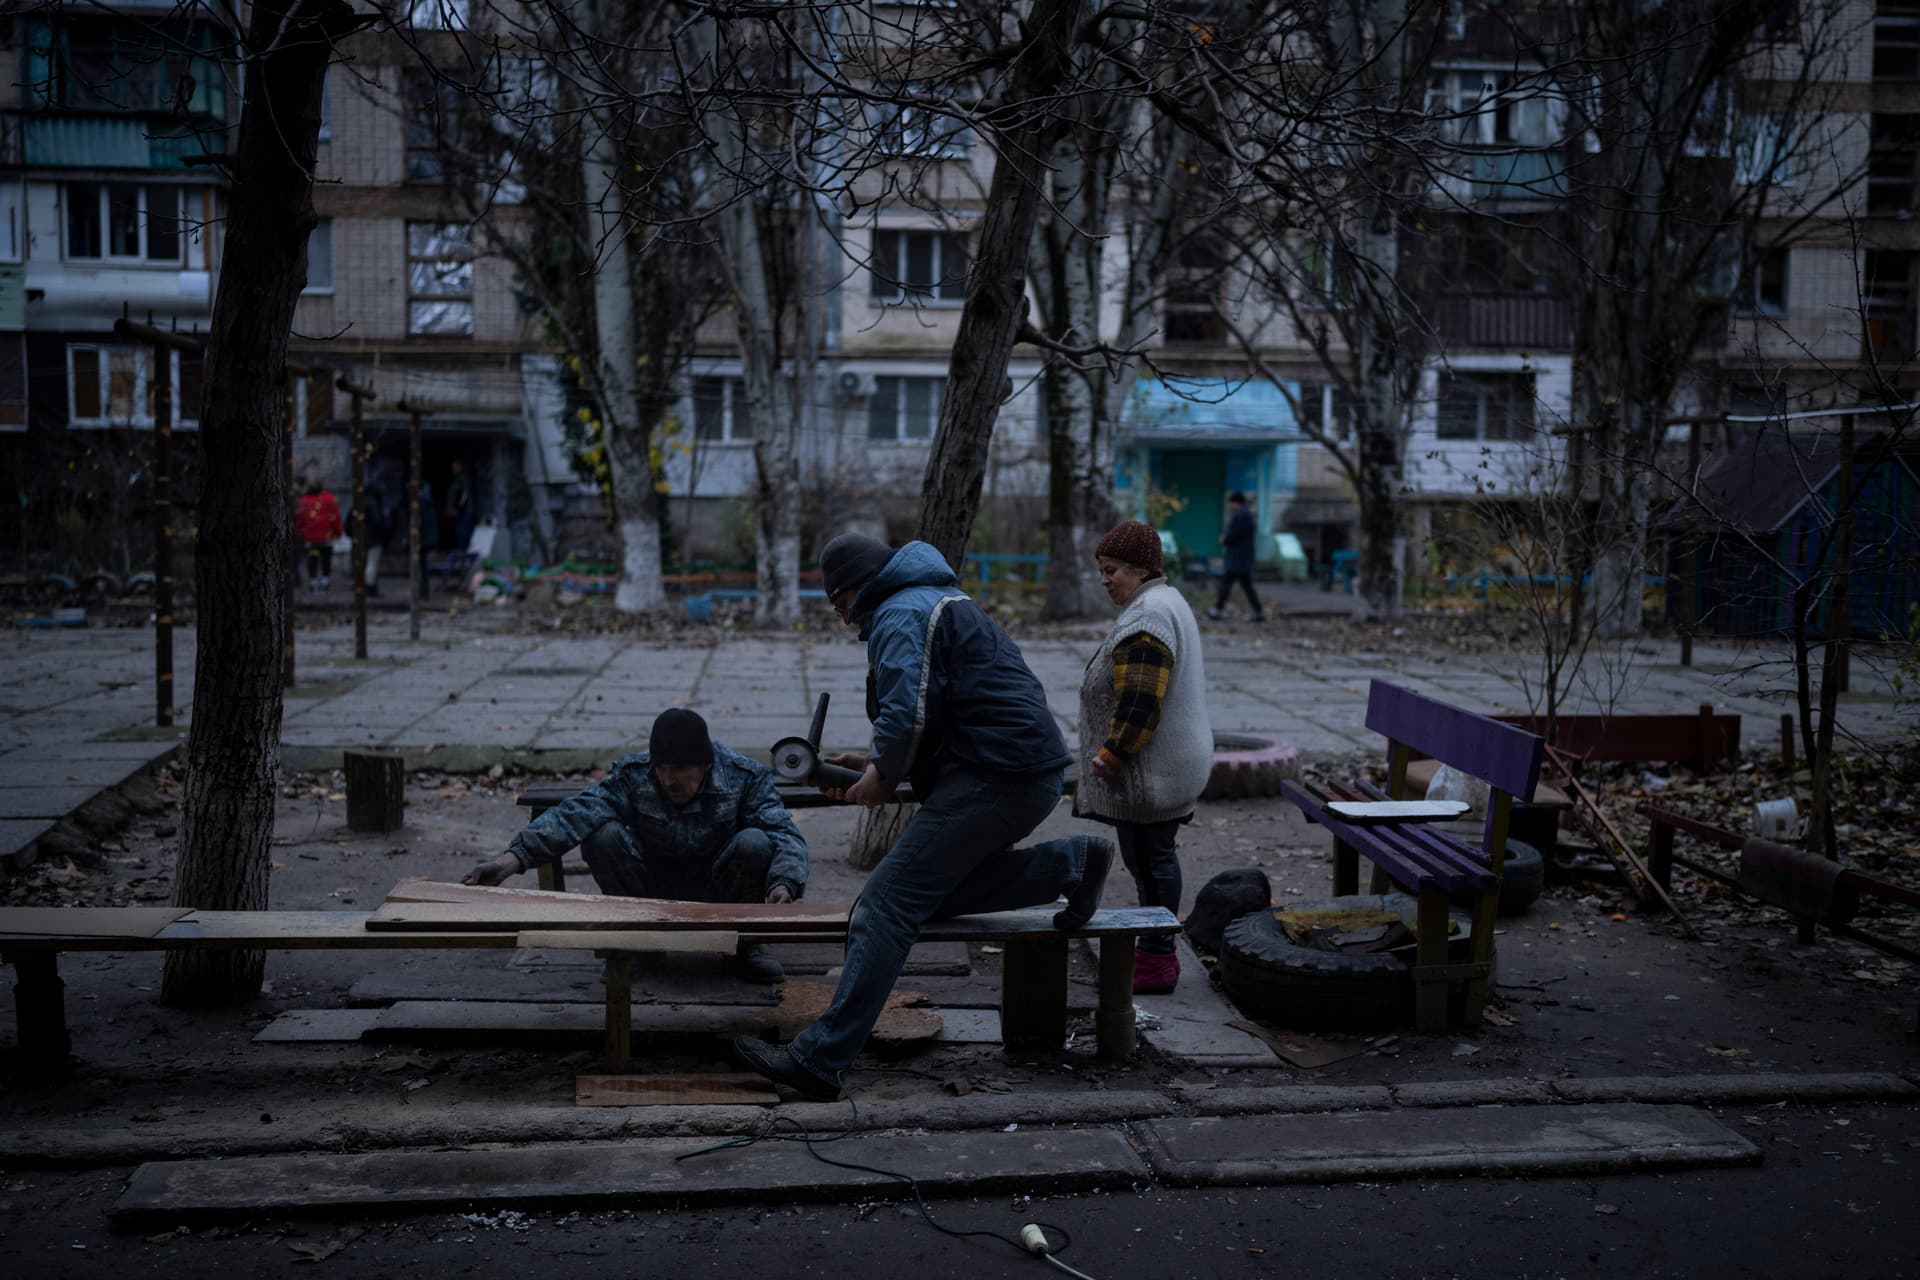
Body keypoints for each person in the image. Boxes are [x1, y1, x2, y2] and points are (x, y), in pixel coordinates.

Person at [732, 534, 1114, 1100]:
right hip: (1020, 773)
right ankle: (1071, 864)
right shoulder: (934, 601)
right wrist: (872, 766)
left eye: (838, 605)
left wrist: (883, 777)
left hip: (997, 777)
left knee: (882, 906)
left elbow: (906, 712)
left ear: (856, 588)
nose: (842, 619)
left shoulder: (899, 610)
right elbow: (941, 714)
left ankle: (819, 1061)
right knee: (924, 896)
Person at [463, 708, 807, 983]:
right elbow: (575, 814)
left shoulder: (744, 777)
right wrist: (509, 861)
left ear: (706, 765)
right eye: (664, 769)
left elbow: (783, 833)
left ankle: (743, 945)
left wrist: (784, 882)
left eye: (682, 770)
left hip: (718, 886)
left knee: (755, 843)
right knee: (603, 835)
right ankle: (640, 947)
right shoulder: (634, 773)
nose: (670, 779)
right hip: (649, 886)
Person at [1076, 520, 1214, 993]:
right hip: (1168, 764)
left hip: (1151, 771)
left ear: (1140, 569)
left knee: (1151, 860)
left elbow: (1140, 699)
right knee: (1150, 858)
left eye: (1111, 569)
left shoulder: (1147, 618)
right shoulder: (1161, 603)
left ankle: (1157, 959)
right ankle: (1155, 950)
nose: (1104, 579)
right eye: (1101, 570)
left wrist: (1113, 752)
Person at [1208, 490, 1264, 621]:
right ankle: (1258, 611)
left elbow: (1233, 535)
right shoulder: (1247, 514)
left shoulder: (1242, 516)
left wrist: (1224, 539)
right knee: (1245, 586)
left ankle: (1217, 610)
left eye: (1231, 503)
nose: (1230, 506)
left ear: (1235, 503)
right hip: (1241, 558)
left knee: (1228, 585)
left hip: (1238, 559)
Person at [295, 477, 343, 591]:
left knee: (313, 558)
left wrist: (299, 531)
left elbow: (299, 519)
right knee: (326, 558)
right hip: (326, 538)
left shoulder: (304, 501)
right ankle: (325, 580)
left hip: (311, 538)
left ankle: (313, 580)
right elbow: (335, 517)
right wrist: (338, 532)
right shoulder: (330, 499)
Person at [360, 482, 391, 597]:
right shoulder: (373, 503)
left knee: (368, 563)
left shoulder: (362, 502)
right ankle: (370, 587)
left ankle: (368, 585)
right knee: (372, 563)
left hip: (365, 536)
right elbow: (377, 520)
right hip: (373, 537)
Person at [446, 458, 476, 551]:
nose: (453, 468)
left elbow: (465, 495)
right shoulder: (455, 480)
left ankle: (464, 554)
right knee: (459, 535)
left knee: (464, 535)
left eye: (455, 466)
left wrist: (458, 509)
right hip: (458, 514)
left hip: (465, 512)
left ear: (460, 466)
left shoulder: (464, 478)